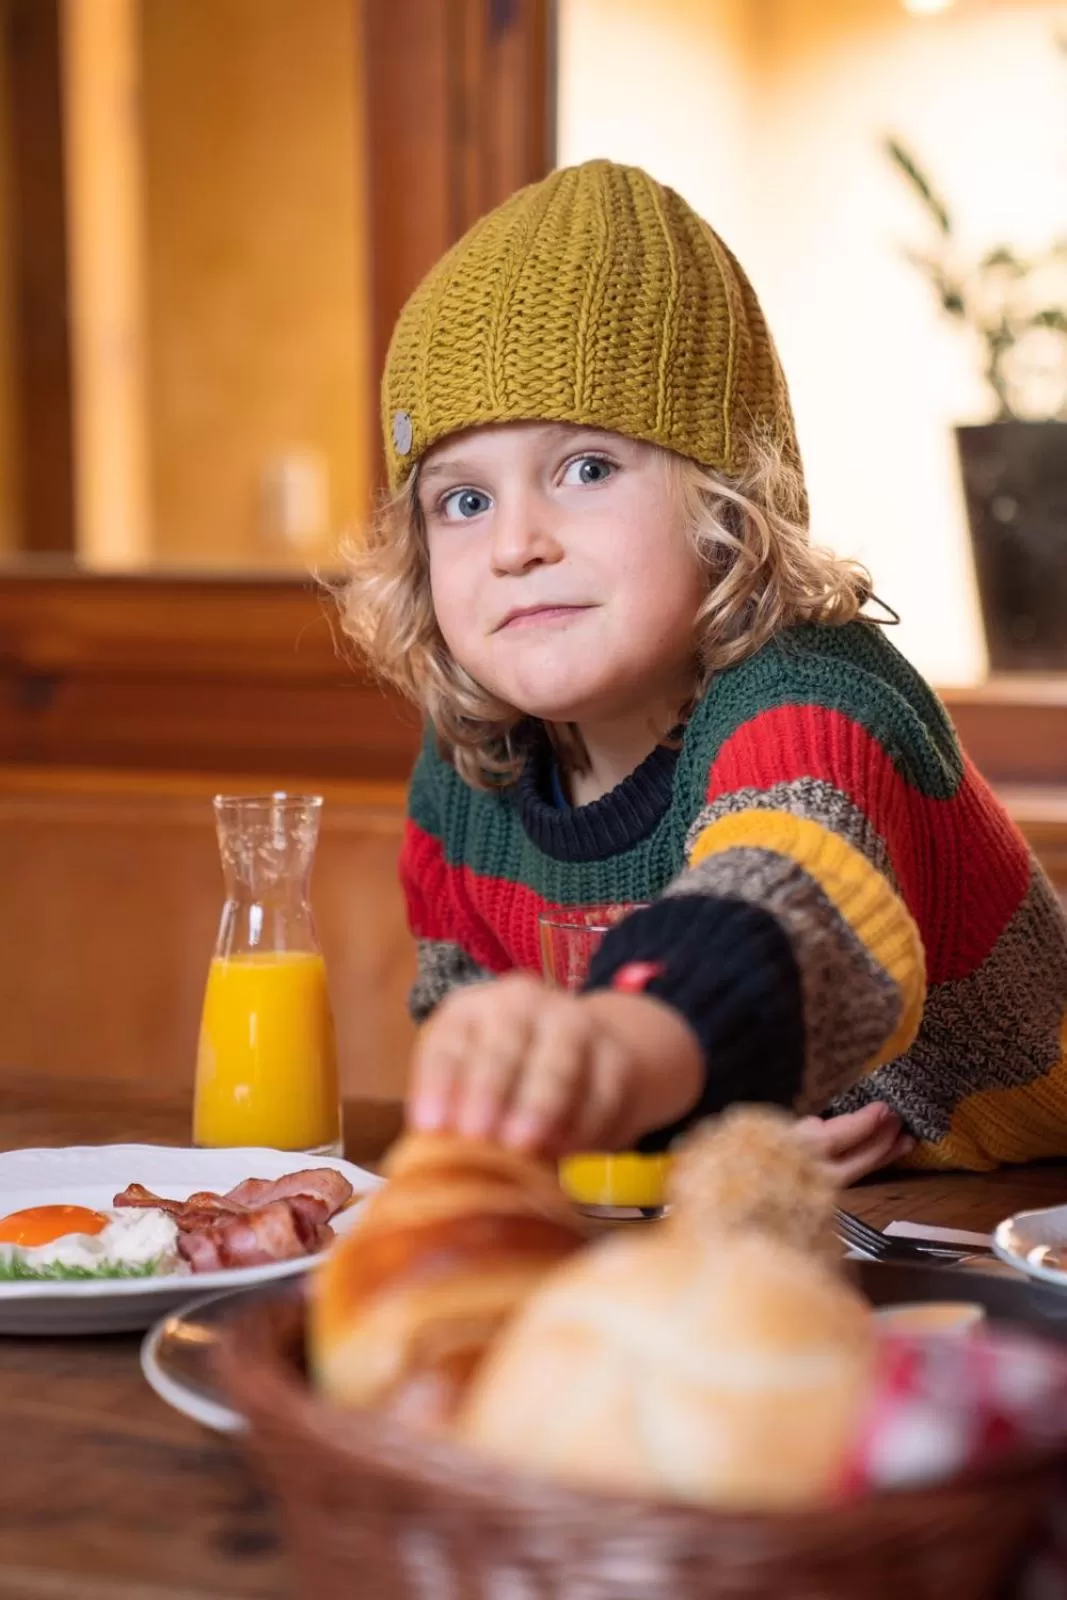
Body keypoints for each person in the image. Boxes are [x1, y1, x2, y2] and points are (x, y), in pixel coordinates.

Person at [341, 159, 1067, 1181]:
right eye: (462, 500)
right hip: (785, 1228)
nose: (514, 545)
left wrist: (634, 1064)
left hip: (1022, 1195)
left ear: (722, 501)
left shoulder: (813, 690)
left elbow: (785, 906)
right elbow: (477, 1025)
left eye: (584, 469)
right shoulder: (470, 761)